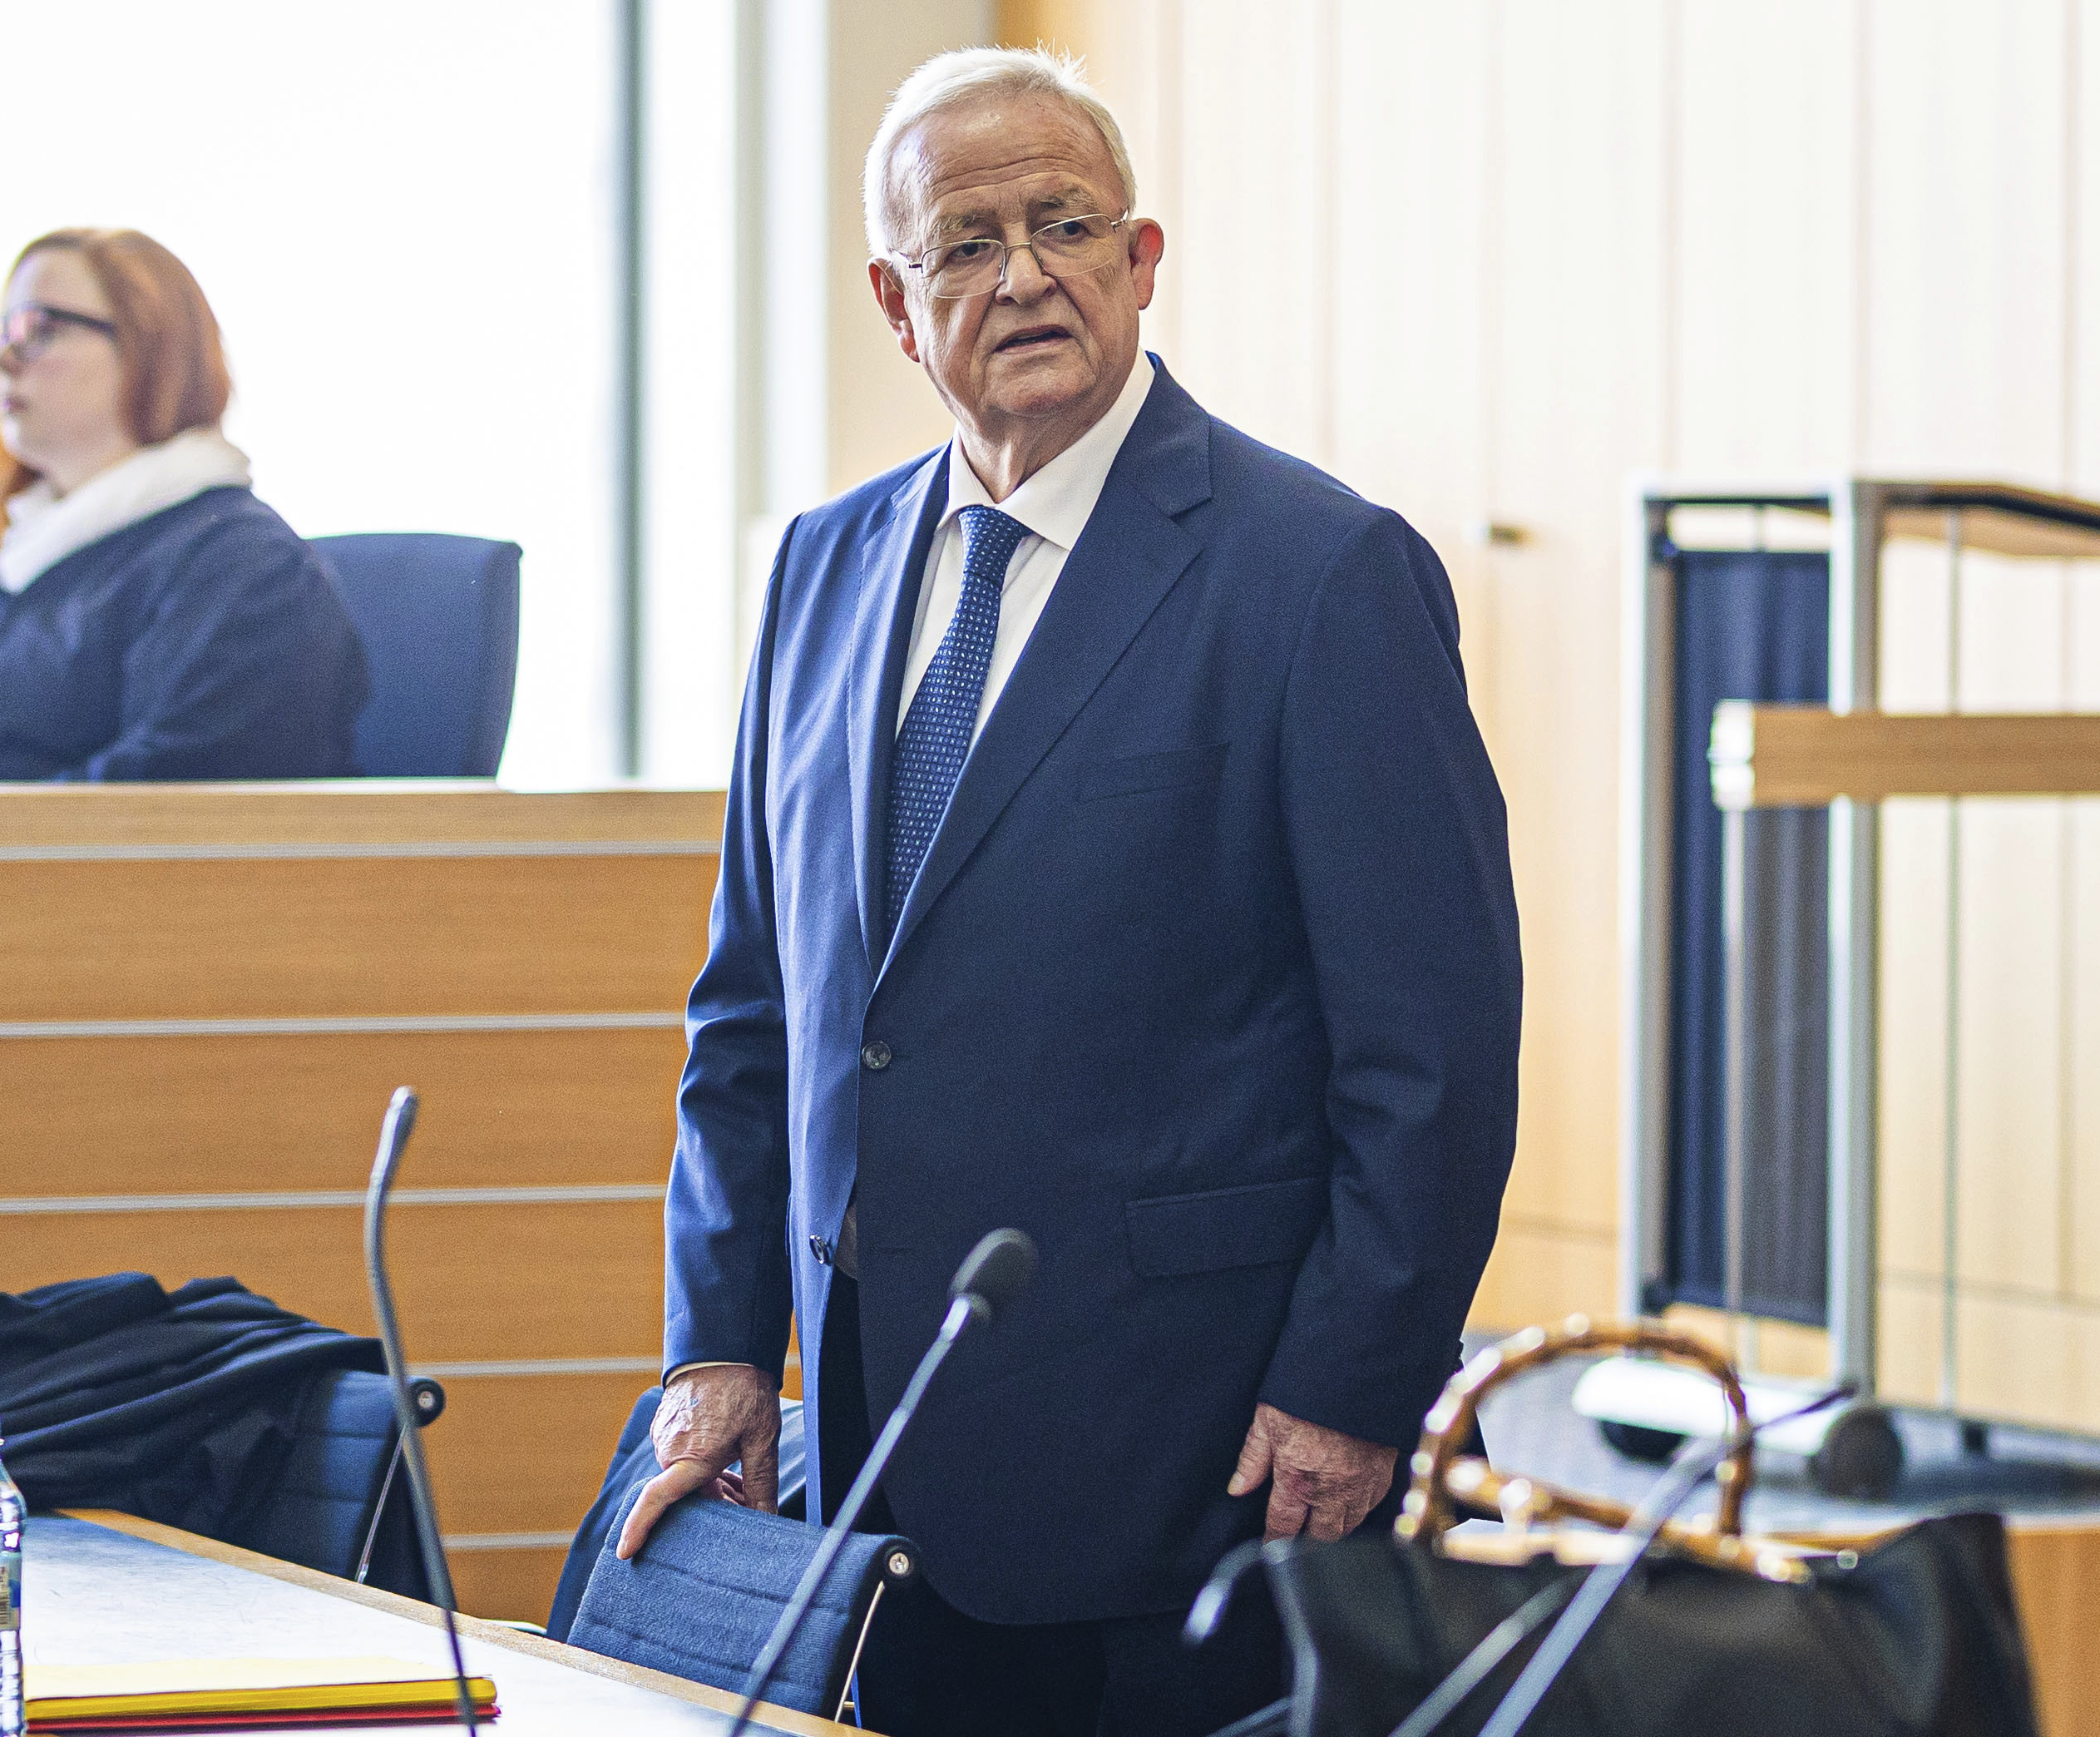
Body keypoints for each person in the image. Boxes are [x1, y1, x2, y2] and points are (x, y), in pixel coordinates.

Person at [623, 47, 1524, 1737]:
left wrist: (1352, 1387)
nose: (1024, 272)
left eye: (1066, 223)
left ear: (1143, 260)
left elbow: (1433, 1051)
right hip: (868, 1454)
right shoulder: (821, 570)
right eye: (967, 241)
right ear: (898, 305)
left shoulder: (1319, 576)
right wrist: (720, 1339)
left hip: (1186, 1462)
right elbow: (759, 1004)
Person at [0, 228, 366, 781]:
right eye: (0, 333)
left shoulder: (244, 570)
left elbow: (155, 807)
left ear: (152, 348)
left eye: (38, 328)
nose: (5, 360)